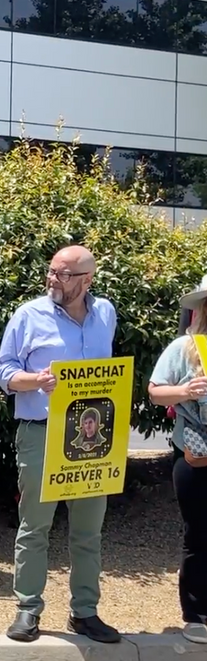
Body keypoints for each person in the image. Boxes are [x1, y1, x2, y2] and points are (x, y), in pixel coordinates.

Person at [0, 245, 119, 643]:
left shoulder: (106, 314)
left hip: (93, 436)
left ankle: (85, 612)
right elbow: (2, 370)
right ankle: (28, 609)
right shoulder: (29, 314)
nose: (53, 280)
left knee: (88, 531)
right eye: (51, 271)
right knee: (34, 527)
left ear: (87, 280)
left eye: (64, 274)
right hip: (42, 432)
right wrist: (35, 381)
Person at [148, 274, 207, 644]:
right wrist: (186, 390)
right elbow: (155, 392)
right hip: (197, 454)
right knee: (199, 535)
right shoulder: (184, 347)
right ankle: (198, 615)